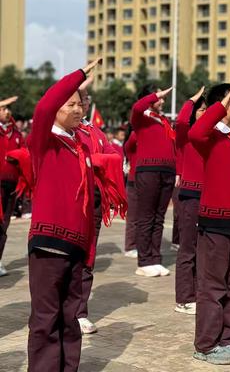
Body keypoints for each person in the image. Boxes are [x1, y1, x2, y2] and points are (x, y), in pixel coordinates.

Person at [27, 60, 100, 371]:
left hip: (76, 247)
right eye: (69, 104)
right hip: (48, 245)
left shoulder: (79, 147)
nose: (77, 109)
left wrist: (88, 250)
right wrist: (77, 76)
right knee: (46, 319)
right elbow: (44, 107)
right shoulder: (44, 142)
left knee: (70, 318)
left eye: (80, 103)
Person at [189, 85, 230, 365]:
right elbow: (193, 131)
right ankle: (205, 345)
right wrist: (218, 107)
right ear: (220, 106)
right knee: (212, 287)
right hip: (215, 223)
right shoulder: (211, 137)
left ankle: (226, 340)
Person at [76, 77, 123, 335]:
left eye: (84, 101)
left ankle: (80, 311)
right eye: (76, 100)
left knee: (87, 258)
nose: (81, 106)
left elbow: (111, 160)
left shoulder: (96, 132)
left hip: (93, 202)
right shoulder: (61, 131)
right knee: (66, 259)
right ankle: (61, 309)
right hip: (71, 202)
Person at [130, 85, 175, 278]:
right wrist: (156, 95)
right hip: (148, 170)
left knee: (159, 218)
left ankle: (155, 258)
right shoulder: (142, 117)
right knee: (146, 217)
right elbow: (137, 107)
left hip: (167, 171)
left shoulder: (163, 120)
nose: (162, 100)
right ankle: (144, 260)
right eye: (159, 97)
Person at [174, 87, 206, 315]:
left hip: (207, 197)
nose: (204, 113)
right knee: (188, 249)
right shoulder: (186, 134)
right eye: (201, 110)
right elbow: (182, 120)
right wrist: (191, 100)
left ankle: (198, 292)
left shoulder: (210, 136)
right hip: (189, 196)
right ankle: (184, 298)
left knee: (202, 250)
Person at [0, 96, 24, 277]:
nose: (7, 112)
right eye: (3, 108)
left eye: (9, 109)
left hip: (12, 184)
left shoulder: (16, 134)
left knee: (4, 225)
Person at [124, 127, 138, 258]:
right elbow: (127, 148)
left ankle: (139, 244)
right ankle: (130, 246)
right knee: (133, 217)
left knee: (145, 217)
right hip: (134, 181)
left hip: (148, 182)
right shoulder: (135, 135)